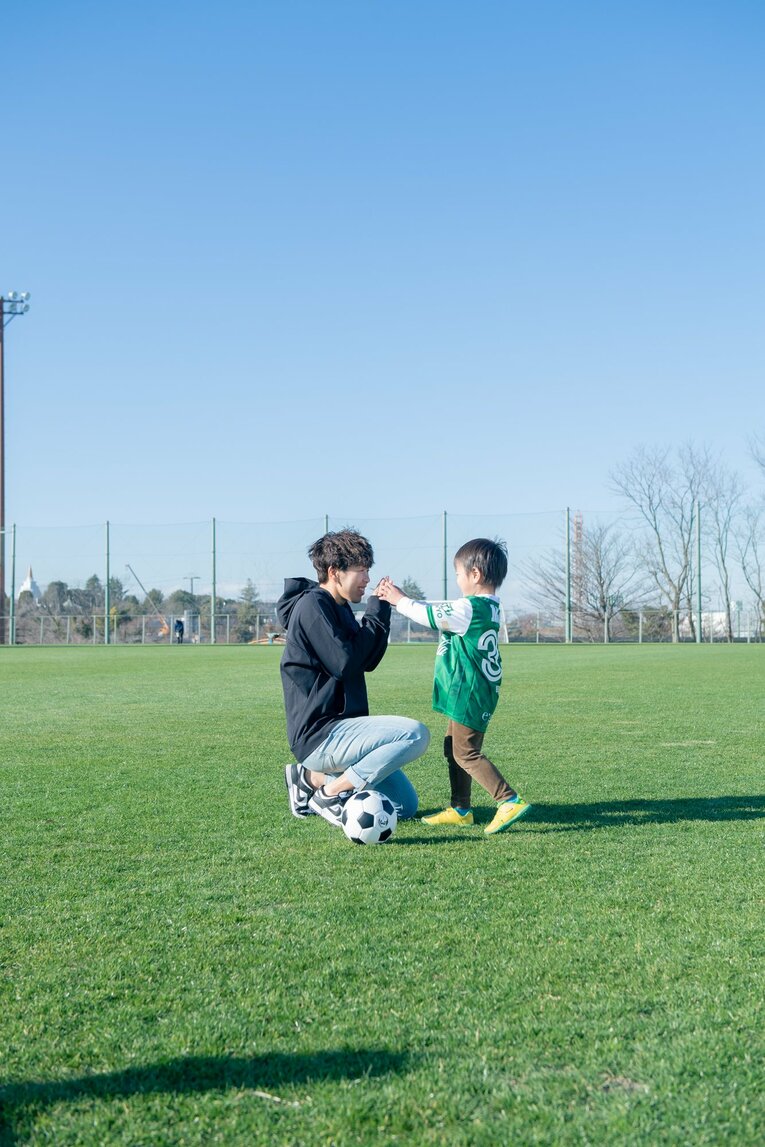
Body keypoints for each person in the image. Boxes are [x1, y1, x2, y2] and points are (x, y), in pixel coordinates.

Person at [377, 537, 531, 835]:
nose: (457, 579)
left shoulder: (469, 608)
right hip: (478, 691)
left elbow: (429, 614)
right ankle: (461, 809)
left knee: (466, 752)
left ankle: (509, 800)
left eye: (458, 573)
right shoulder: (487, 607)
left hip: (469, 692)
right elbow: (438, 609)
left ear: (475, 575)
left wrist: (398, 600)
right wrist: (406, 599)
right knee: (453, 747)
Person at [277, 529, 430, 828]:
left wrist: (381, 609)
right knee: (415, 734)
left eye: (368, 570)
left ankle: (307, 779)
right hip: (321, 734)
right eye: (361, 570)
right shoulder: (313, 606)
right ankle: (329, 793)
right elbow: (345, 664)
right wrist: (373, 611)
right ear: (334, 572)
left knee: (404, 806)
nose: (367, 578)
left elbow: (367, 661)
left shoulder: (341, 607)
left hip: (343, 732)